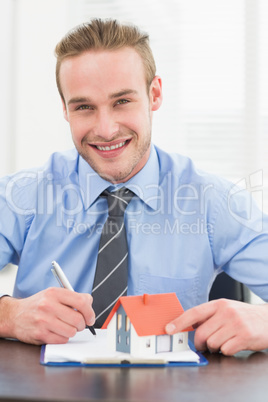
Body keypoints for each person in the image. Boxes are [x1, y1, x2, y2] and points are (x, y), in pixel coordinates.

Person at [0, 19, 268, 355]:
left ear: (154, 94)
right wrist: (9, 315)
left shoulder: (213, 202)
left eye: (122, 101)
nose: (106, 129)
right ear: (65, 110)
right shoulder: (22, 196)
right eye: (84, 107)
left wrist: (263, 320)